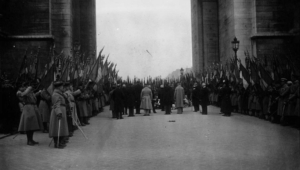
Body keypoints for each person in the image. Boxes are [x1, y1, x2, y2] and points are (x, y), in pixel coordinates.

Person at [49, 81, 69, 149]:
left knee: (61, 128)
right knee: (57, 128)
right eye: (62, 87)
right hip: (57, 112)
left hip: (61, 110)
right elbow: (56, 104)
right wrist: (58, 112)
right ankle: (56, 143)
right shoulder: (55, 94)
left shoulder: (60, 93)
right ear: (59, 87)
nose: (63, 88)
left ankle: (60, 142)